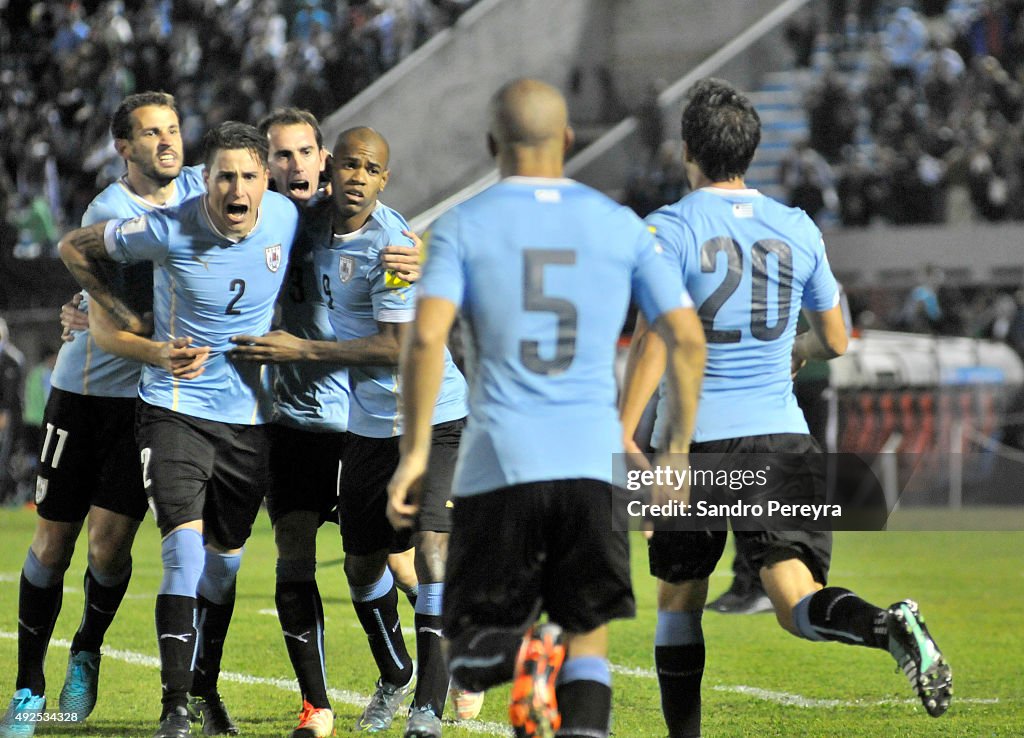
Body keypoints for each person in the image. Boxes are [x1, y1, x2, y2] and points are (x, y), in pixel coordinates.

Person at [621, 78, 952, 738]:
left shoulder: (667, 228)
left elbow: (661, 335)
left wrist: (630, 434)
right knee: (794, 598)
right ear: (751, 151)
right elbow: (836, 338)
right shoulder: (795, 225)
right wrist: (796, 348)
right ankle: (887, 626)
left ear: (687, 150)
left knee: (679, 599)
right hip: (783, 440)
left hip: (702, 447)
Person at [386, 78, 705, 738]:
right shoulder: (619, 222)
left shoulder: (462, 225)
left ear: (491, 144)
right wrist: (674, 451)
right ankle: (552, 650)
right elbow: (687, 335)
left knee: (471, 656)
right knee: (588, 646)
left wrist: (415, 450)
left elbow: (423, 337)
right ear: (567, 140)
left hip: (499, 461)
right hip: (594, 463)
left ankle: (524, 651)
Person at [58, 121, 298, 738]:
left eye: (248, 175)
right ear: (206, 180)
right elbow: (74, 248)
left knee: (223, 569)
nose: (236, 188)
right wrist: (116, 316)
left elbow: (369, 229)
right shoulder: (168, 227)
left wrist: (421, 250)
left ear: (264, 180)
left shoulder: (288, 216)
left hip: (249, 420)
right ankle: (173, 711)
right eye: (224, 176)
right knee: (182, 556)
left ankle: (205, 690)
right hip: (172, 408)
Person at [231, 126, 469, 738]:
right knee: (363, 568)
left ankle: (429, 708)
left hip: (432, 417)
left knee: (431, 550)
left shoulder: (391, 245)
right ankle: (396, 675)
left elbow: (395, 347)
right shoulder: (307, 229)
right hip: (367, 426)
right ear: (334, 169)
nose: (359, 177)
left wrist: (301, 351)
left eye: (373, 169)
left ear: (384, 179)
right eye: (352, 166)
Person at [0, 92, 208, 738]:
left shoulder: (203, 187)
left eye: (173, 129)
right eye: (151, 133)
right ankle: (28, 690)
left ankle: (86, 648)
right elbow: (125, 304)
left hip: (145, 402)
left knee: (111, 549)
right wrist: (96, 312)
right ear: (124, 148)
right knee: (53, 542)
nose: (167, 141)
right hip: (86, 393)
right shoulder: (110, 211)